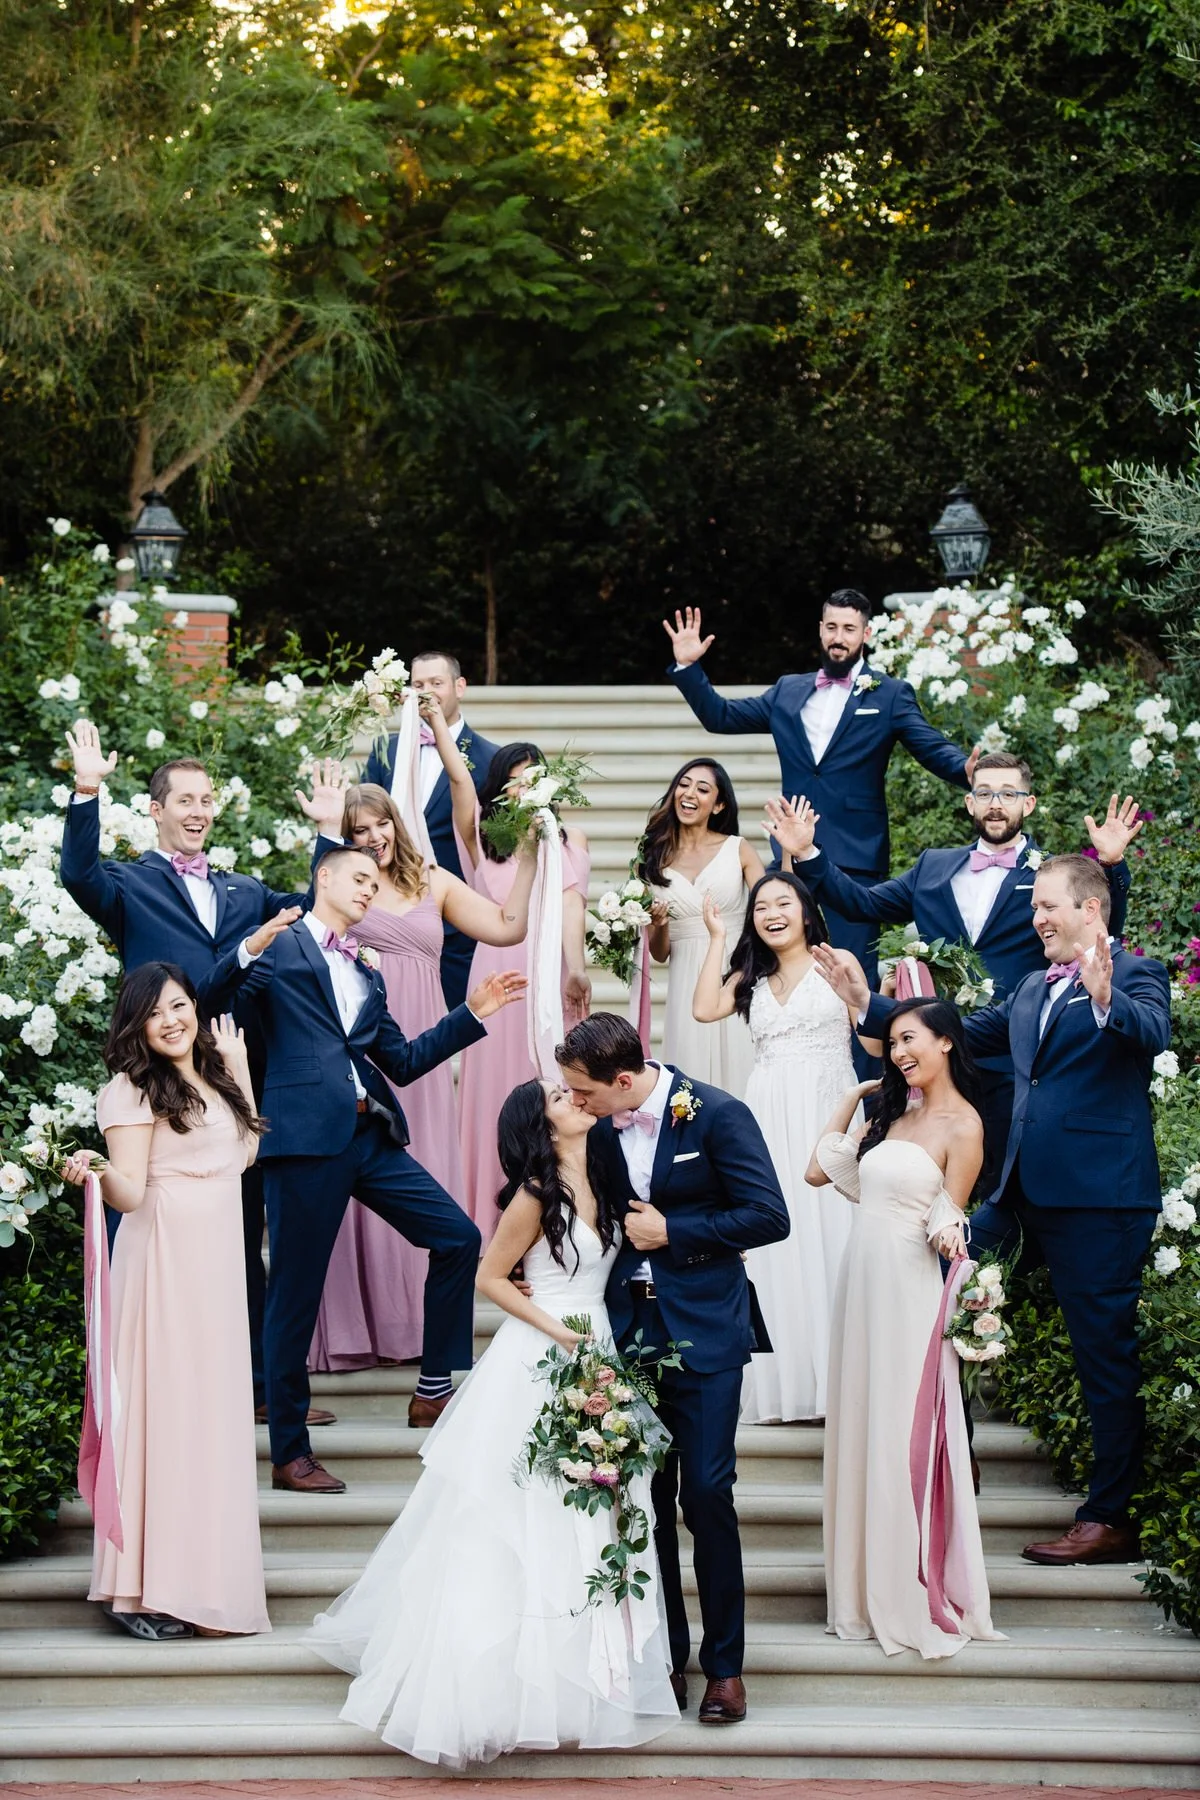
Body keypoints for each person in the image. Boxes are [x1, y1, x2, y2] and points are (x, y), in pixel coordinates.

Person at [305, 1078, 679, 1766]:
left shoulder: (605, 1172)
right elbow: (491, 1277)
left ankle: (588, 1681)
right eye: (561, 1097)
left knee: (589, 1513)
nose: (574, 1099)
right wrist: (563, 1335)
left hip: (600, 1348)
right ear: (541, 1124)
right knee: (517, 1516)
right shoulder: (538, 1192)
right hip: (547, 1354)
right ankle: (497, 1688)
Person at [817, 853, 1172, 1566]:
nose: (1035, 917)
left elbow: (1151, 1033)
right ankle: (952, 1466)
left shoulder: (1135, 975)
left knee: (1103, 1356)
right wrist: (867, 1006)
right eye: (1034, 906)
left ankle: (1108, 1517)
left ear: (1090, 910)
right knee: (932, 1303)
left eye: (1047, 906)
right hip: (1016, 1195)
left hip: (1099, 1201)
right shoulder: (1033, 989)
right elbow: (958, 1033)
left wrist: (1105, 1000)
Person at [206, 844, 526, 1489]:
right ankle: (290, 1453)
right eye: (357, 878)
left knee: (458, 1237)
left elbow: (401, 1060)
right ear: (322, 878)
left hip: (369, 1134)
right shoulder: (283, 946)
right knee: (294, 1297)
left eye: (374, 885)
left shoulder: (368, 974)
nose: (367, 890)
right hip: (300, 1141)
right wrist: (248, 949)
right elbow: (219, 1000)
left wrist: (473, 1014)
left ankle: (433, 1387)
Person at [59, 722, 330, 1426]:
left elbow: (316, 908)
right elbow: (77, 875)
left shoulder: (244, 890)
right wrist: (87, 789)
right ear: (156, 809)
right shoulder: (128, 886)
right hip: (159, 1082)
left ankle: (262, 1385)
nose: (199, 811)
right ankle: (137, 1381)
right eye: (185, 800)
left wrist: (329, 834)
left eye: (207, 800)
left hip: (233, 1077)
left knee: (242, 1236)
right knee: (144, 1220)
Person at [555, 1014, 790, 1726]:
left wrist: (676, 1233)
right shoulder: (599, 1130)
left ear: (623, 1081)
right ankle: (666, 1657)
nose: (577, 1102)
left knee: (708, 1495)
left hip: (709, 1336)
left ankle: (726, 1669)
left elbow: (768, 1216)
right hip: (631, 1338)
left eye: (584, 1091)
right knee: (647, 1502)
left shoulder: (718, 1115)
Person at [769, 762, 1139, 1194]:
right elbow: (862, 903)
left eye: (1008, 793)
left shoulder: (1050, 877)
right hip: (935, 1063)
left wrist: (1112, 865)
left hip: (1012, 1059)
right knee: (927, 1190)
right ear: (969, 803)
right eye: (984, 793)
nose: (996, 804)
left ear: (1029, 804)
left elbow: (1099, 932)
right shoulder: (932, 867)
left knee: (1008, 1190)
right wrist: (810, 854)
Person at [60, 965, 280, 1641]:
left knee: (209, 1421)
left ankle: (207, 1584)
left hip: (215, 1270)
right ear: (138, 1026)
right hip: (162, 1265)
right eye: (155, 1013)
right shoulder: (130, 1089)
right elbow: (129, 1190)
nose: (172, 1020)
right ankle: (144, 1588)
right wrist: (95, 1171)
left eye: (179, 1005)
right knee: (166, 1417)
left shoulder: (212, 1076)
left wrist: (239, 1067)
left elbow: (241, 1156)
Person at [301, 772, 537, 1369]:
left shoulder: (432, 881)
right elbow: (314, 925)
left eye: (381, 823)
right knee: (361, 1185)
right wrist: (326, 835)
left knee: (424, 1174)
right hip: (364, 1046)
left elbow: (509, 926)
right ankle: (363, 1324)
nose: (374, 836)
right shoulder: (343, 889)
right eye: (359, 830)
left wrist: (532, 856)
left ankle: (418, 1330)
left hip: (426, 1050)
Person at [805, 997, 1001, 1658]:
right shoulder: (894, 1113)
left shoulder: (964, 1125)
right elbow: (818, 1172)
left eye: (909, 1039)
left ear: (946, 1041)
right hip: (860, 1283)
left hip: (911, 1290)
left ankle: (912, 1589)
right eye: (891, 1044)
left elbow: (953, 1217)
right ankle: (858, 1593)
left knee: (899, 1437)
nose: (899, 1054)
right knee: (862, 1427)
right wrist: (853, 1097)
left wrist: (953, 1235)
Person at [662, 593, 978, 995]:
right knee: (790, 975)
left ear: (866, 633)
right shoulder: (787, 691)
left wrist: (966, 770)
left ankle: (861, 1060)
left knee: (854, 977)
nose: (838, 637)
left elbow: (929, 746)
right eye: (831, 627)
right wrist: (689, 666)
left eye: (848, 628)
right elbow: (720, 716)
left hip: (857, 860)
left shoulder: (890, 694)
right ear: (820, 630)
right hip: (792, 858)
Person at [693, 869, 858, 1422]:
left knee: (830, 1232)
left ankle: (841, 1380)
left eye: (782, 902)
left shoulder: (838, 964)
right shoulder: (751, 977)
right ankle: (783, 1379)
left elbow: (875, 1033)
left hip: (824, 1109)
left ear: (806, 911)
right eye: (761, 906)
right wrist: (717, 938)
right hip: (766, 1115)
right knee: (776, 1241)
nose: (771, 913)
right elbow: (702, 1010)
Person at [456, 739, 592, 1243]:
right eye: (513, 778)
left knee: (550, 1082)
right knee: (495, 1088)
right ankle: (491, 1214)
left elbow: (572, 906)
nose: (522, 786)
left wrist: (575, 968)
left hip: (549, 970)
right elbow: (457, 783)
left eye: (532, 777)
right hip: (497, 968)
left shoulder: (568, 836)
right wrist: (436, 723)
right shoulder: (482, 834)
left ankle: (555, 1208)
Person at [361, 651, 500, 1011]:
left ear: (460, 687)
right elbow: (360, 827)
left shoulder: (490, 759)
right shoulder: (383, 750)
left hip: (456, 920)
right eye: (418, 684)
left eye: (436, 683)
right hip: (387, 916)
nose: (426, 692)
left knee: (450, 1029)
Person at [637, 758, 764, 1098]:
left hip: (735, 970)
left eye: (702, 788)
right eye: (684, 784)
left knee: (744, 1064)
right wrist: (659, 926)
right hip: (685, 982)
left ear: (719, 804)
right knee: (691, 1080)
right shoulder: (653, 857)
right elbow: (660, 953)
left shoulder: (738, 848)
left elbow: (773, 903)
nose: (689, 793)